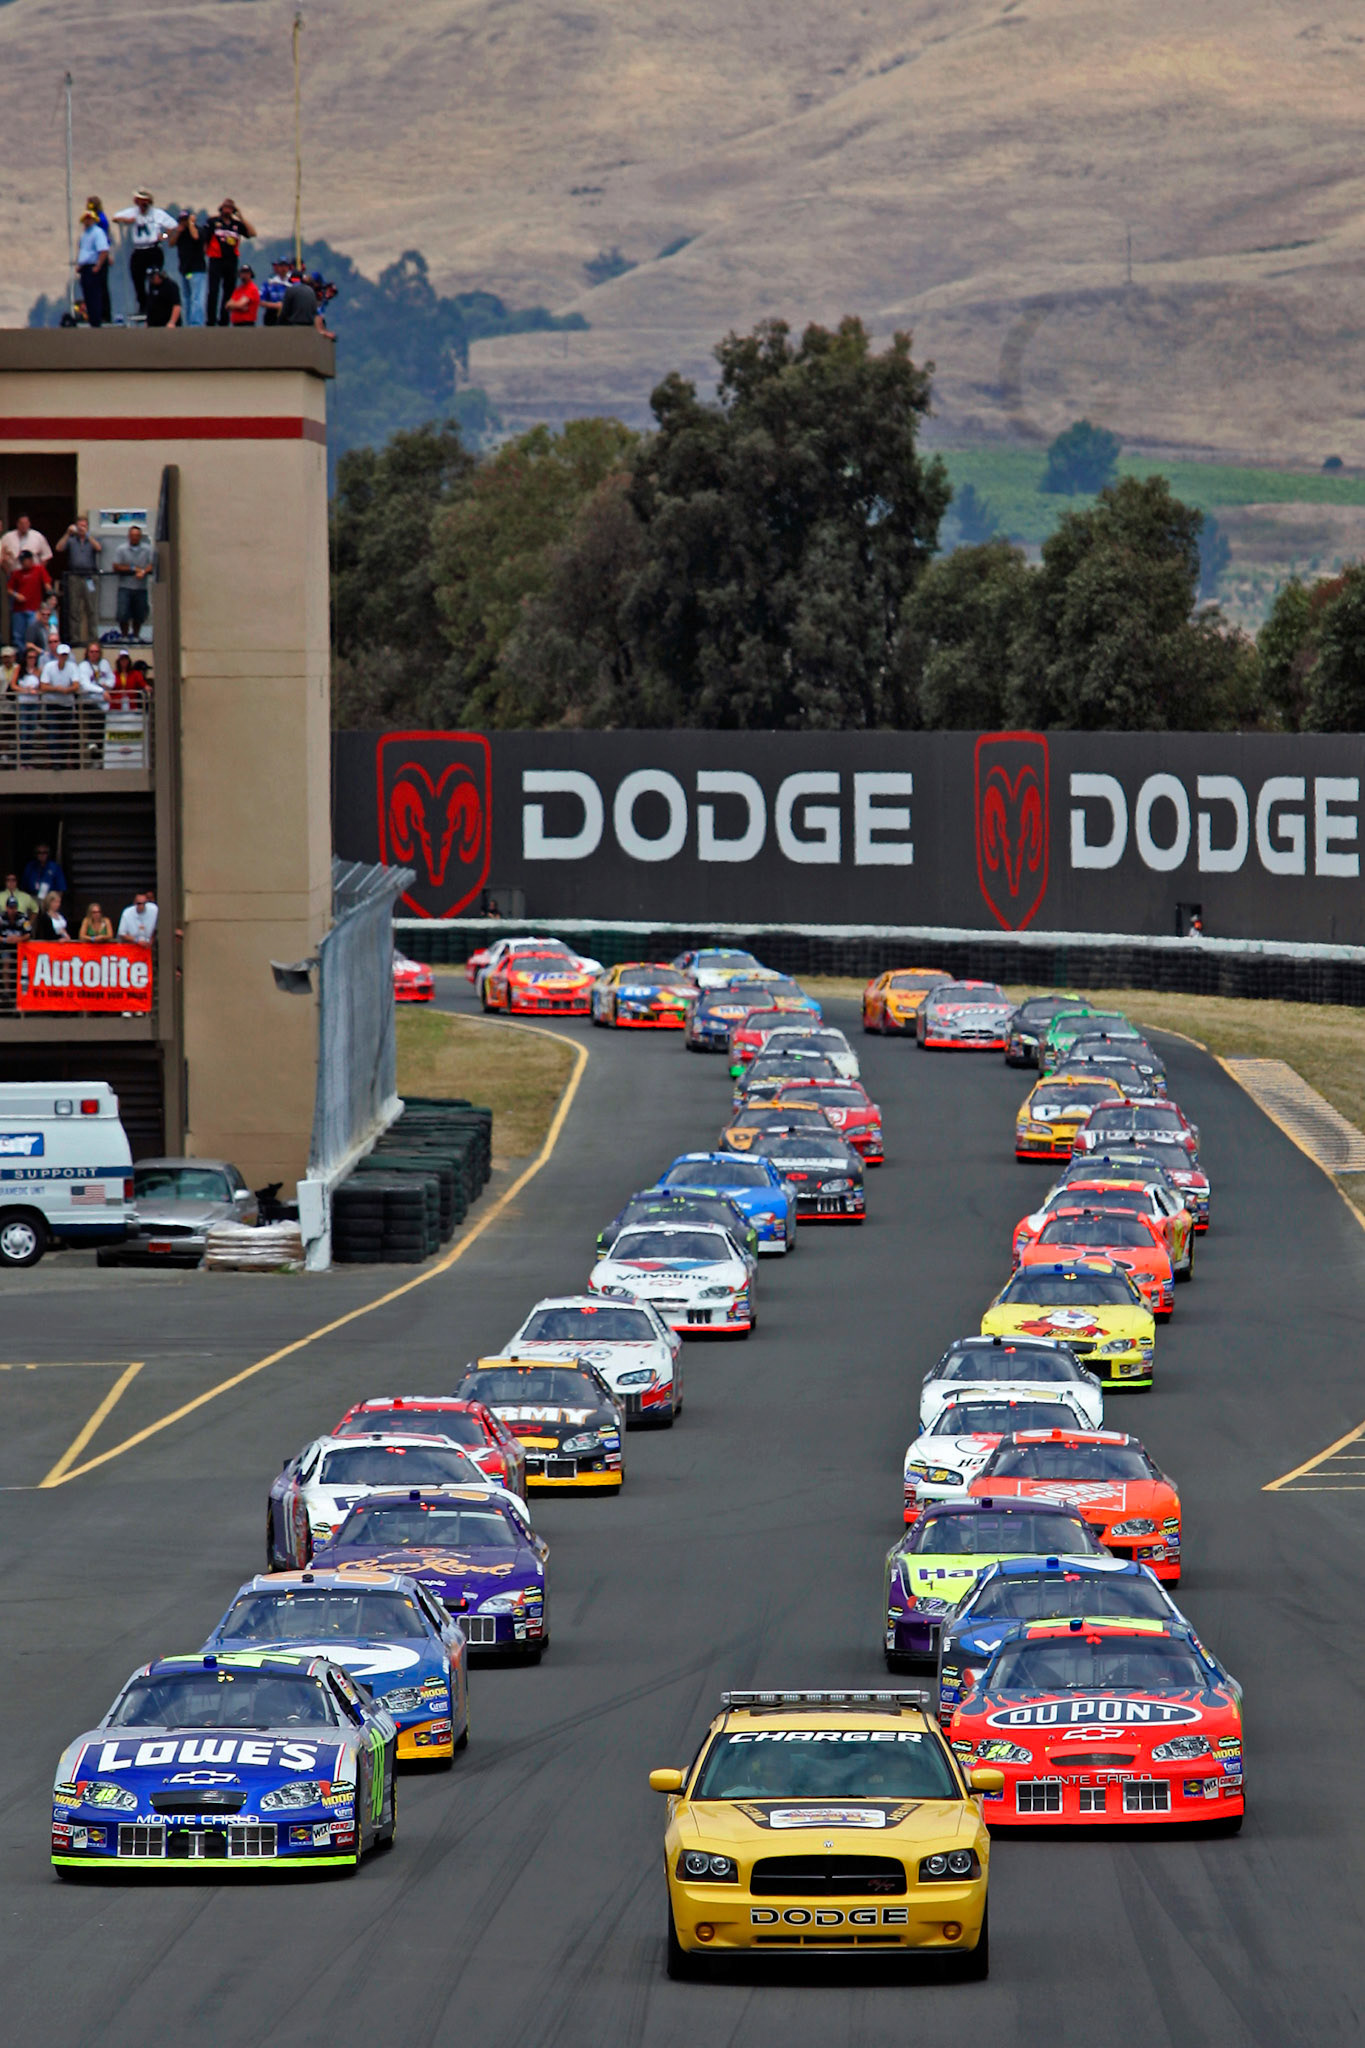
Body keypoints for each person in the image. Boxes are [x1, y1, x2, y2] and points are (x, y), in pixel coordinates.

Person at [111, 189, 178, 314]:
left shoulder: (157, 214)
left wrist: (163, 236)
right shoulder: (133, 212)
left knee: (155, 277)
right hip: (139, 250)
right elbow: (115, 217)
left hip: (153, 249)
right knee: (137, 278)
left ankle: (156, 305)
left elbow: (173, 226)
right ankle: (143, 305)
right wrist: (127, 221)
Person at [205, 199, 256, 326]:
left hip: (231, 261)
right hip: (216, 259)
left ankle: (224, 319)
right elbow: (204, 239)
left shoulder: (237, 225)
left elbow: (252, 233)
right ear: (221, 209)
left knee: (228, 291)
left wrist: (241, 217)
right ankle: (211, 320)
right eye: (225, 208)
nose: (227, 210)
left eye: (230, 208)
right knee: (213, 290)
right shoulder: (213, 222)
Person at [55, 516, 103, 647]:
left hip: (89, 576)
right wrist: (67, 533)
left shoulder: (91, 539)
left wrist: (87, 535)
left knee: (91, 608)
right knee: (74, 609)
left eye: (84, 526)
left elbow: (98, 548)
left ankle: (93, 638)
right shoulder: (71, 540)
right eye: (79, 526)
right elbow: (59, 548)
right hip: (74, 577)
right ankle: (75, 638)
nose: (81, 528)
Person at [40, 642, 81, 768]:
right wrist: (58, 689)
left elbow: (76, 685)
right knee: (53, 733)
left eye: (65, 655)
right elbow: (43, 686)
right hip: (52, 705)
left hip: (67, 705)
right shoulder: (49, 666)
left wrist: (67, 690)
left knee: (65, 734)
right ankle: (55, 761)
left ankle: (62, 760)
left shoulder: (72, 666)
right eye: (61, 654)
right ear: (57, 655)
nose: (63, 657)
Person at [111, 525, 154, 642]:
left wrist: (144, 571)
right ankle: (124, 636)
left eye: (137, 536)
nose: (135, 538)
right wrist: (132, 568)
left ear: (140, 537)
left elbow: (152, 564)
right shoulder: (121, 549)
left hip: (140, 587)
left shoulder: (147, 549)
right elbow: (116, 566)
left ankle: (136, 636)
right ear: (129, 536)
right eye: (133, 535)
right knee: (122, 612)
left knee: (139, 613)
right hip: (125, 586)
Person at [7, 550, 52, 653]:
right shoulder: (17, 573)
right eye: (21, 561)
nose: (23, 563)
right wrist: (16, 595)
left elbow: (47, 583)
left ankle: (33, 656)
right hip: (19, 610)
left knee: (32, 633)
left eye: (25, 560)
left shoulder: (39, 569)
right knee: (18, 635)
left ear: (30, 560)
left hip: (34, 609)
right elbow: (9, 589)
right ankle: (21, 656)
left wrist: (50, 593)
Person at [169, 210, 207, 326]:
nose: (183, 223)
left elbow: (196, 237)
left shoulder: (199, 230)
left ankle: (197, 323)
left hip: (197, 269)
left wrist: (191, 224)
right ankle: (189, 321)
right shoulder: (180, 233)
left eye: (185, 220)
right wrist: (177, 232)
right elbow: (170, 243)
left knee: (197, 298)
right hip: (185, 270)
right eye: (181, 220)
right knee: (186, 298)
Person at [75, 207, 112, 328]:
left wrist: (98, 265)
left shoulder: (97, 232)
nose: (87, 221)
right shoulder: (84, 235)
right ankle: (91, 319)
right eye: (85, 219)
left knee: (95, 295)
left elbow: (103, 250)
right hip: (84, 268)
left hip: (93, 267)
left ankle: (97, 320)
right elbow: (82, 250)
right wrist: (79, 264)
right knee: (87, 295)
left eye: (89, 219)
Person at [12, 646, 42, 765]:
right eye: (30, 657)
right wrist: (25, 690)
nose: (32, 660)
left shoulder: (38, 671)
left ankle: (28, 759)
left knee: (31, 731)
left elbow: (41, 687)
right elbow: (13, 685)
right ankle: (22, 759)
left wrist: (35, 691)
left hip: (33, 704)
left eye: (34, 657)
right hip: (23, 704)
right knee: (23, 732)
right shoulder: (19, 669)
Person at [259, 256, 291, 326]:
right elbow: (260, 301)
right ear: (277, 267)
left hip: (288, 315)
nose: (283, 268)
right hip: (272, 315)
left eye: (285, 265)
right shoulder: (269, 283)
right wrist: (276, 305)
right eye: (281, 265)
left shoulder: (292, 283)